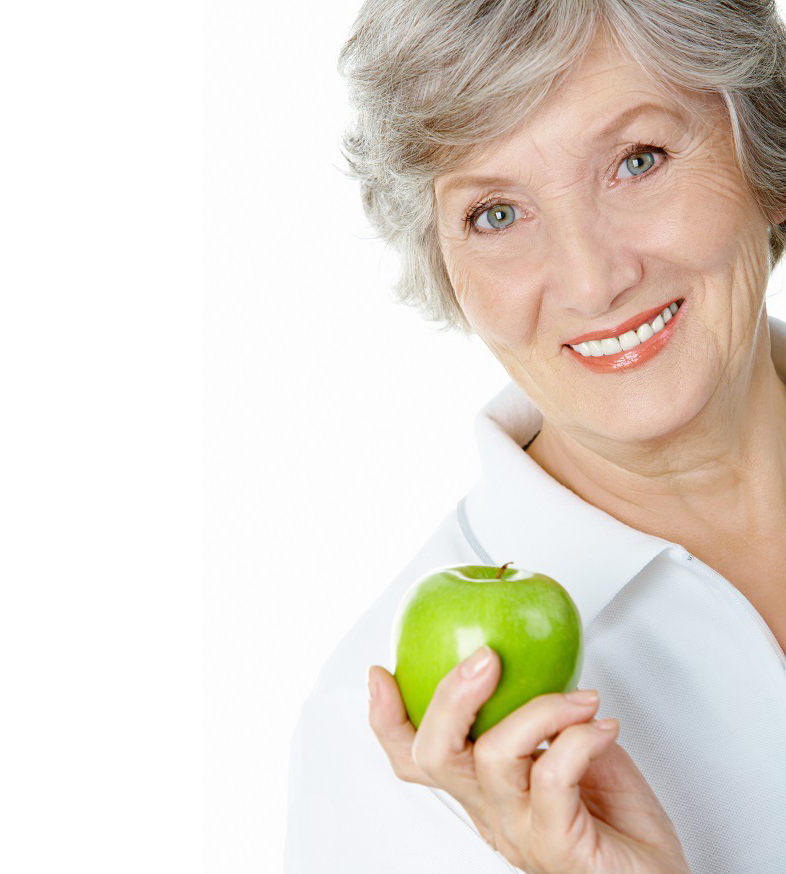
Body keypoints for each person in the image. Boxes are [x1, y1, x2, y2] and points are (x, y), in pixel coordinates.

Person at [284, 1, 786, 871]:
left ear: (766, 160)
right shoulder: (397, 747)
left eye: (638, 160)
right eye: (496, 214)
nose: (594, 281)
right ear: (445, 266)